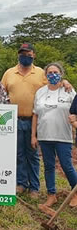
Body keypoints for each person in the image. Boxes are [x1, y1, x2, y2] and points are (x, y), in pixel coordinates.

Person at [2, 43, 71, 198]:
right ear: (18, 55)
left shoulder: (40, 73)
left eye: (28, 53)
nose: (25, 56)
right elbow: (2, 92)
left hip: (34, 120)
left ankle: (34, 187)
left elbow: (55, 84)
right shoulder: (9, 73)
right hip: (13, 119)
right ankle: (21, 183)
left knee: (33, 154)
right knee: (18, 153)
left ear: (34, 55)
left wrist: (65, 82)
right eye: (22, 53)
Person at [31, 62, 77, 208]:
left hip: (63, 136)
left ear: (61, 74)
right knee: (49, 166)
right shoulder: (40, 92)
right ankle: (52, 195)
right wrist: (34, 135)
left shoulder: (69, 90)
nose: (52, 75)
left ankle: (75, 193)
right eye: (49, 72)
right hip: (45, 136)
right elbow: (35, 115)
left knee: (67, 165)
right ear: (45, 75)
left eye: (55, 72)